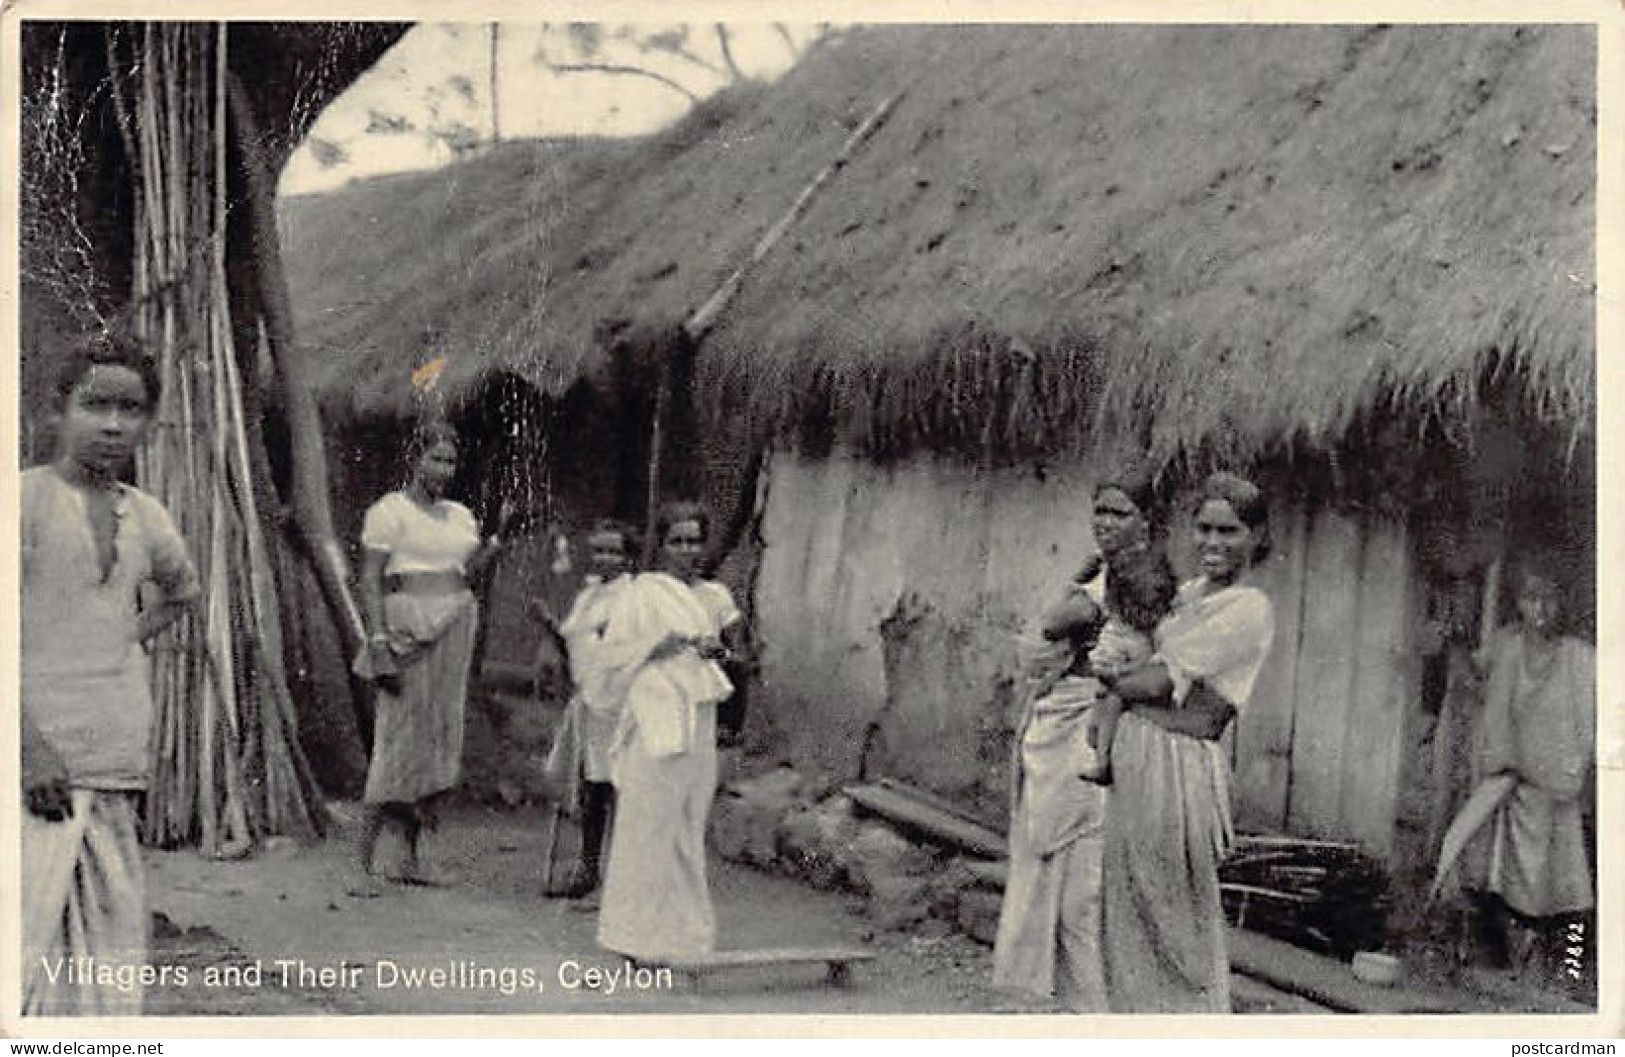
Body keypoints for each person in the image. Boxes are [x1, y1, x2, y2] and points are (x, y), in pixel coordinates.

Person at [21, 336, 199, 1014]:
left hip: (114, 751)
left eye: (132, 408)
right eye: (96, 405)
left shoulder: (146, 514)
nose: (114, 424)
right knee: (25, 941)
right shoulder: (26, 502)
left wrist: (118, 635)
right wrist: (30, 746)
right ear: (58, 410)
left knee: (104, 955)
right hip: (35, 762)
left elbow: (182, 591)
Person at [1099, 471, 1276, 1014]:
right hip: (1136, 754)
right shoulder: (1187, 594)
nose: (1213, 543)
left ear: (1257, 536)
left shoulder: (1248, 609)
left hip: (1177, 766)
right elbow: (1133, 634)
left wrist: (1111, 684)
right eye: (1204, 529)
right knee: (1126, 910)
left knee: (1174, 913)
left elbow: (1158, 682)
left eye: (1230, 531)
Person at [992, 473, 1159, 1012]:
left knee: (1073, 877)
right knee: (1062, 874)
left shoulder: (1138, 581)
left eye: (1120, 513)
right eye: (1101, 512)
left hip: (1088, 729)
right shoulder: (1102, 574)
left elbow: (1057, 623)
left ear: (1146, 521)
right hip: (1066, 721)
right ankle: (1067, 1003)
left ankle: (1081, 1008)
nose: (1106, 522)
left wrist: (1060, 623)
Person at [351, 420, 508, 893]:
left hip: (455, 622)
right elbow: (370, 578)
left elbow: (464, 573)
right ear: (414, 459)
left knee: (440, 738)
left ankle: (414, 858)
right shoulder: (389, 511)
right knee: (397, 736)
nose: (443, 468)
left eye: (450, 461)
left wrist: (497, 539)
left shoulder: (460, 516)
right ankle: (362, 864)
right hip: (407, 626)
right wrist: (377, 643)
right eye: (435, 458)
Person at [596, 501, 740, 964]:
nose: (687, 550)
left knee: (686, 821)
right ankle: (632, 935)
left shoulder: (707, 597)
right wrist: (657, 646)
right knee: (647, 820)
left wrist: (714, 651)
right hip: (656, 709)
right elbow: (613, 654)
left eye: (694, 540)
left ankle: (682, 935)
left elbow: (732, 658)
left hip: (696, 710)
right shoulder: (641, 593)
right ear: (660, 545)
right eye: (677, 540)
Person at [1446, 559, 1595, 990]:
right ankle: (1505, 965)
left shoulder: (1581, 660)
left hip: (1554, 789)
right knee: (1493, 877)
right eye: (1532, 598)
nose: (1542, 609)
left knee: (1566, 886)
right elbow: (1473, 679)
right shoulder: (1505, 646)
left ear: (1564, 602)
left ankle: (1569, 970)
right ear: (1519, 603)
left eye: (1550, 598)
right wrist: (1454, 639)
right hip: (1505, 782)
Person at [539, 519, 637, 899]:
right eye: (600, 550)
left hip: (620, 700)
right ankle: (588, 866)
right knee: (591, 786)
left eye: (615, 551)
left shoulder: (633, 598)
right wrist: (549, 624)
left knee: (619, 785)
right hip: (590, 700)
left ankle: (623, 874)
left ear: (628, 558)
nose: (605, 558)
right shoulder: (588, 596)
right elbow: (571, 645)